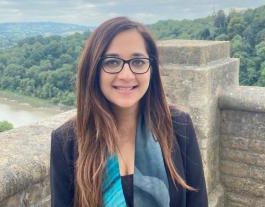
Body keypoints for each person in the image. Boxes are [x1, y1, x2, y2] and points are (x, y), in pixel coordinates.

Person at [50, 16, 208, 207]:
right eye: (112, 62)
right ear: (93, 69)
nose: (126, 75)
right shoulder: (67, 140)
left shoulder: (178, 126)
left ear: (152, 68)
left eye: (138, 62)